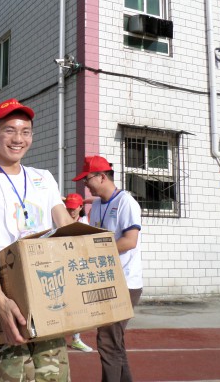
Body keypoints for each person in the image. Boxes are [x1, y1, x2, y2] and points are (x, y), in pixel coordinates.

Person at [0, 98, 73, 382]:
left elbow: (65, 226)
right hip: (4, 299)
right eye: (9, 130)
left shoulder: (43, 178)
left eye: (26, 131)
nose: (18, 139)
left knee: (54, 377)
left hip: (46, 296)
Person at [72, 155, 142, 382]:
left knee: (107, 341)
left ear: (102, 177)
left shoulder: (126, 203)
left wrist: (98, 250)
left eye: (87, 179)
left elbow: (130, 241)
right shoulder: (98, 206)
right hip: (106, 280)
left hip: (125, 283)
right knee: (115, 343)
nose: (85, 184)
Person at [63, 193, 93, 353]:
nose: (71, 211)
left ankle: (76, 339)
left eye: (74, 208)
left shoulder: (84, 221)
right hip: (63, 265)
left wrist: (85, 200)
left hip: (79, 266)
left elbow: (98, 199)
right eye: (68, 207)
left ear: (81, 207)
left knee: (78, 303)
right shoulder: (60, 220)